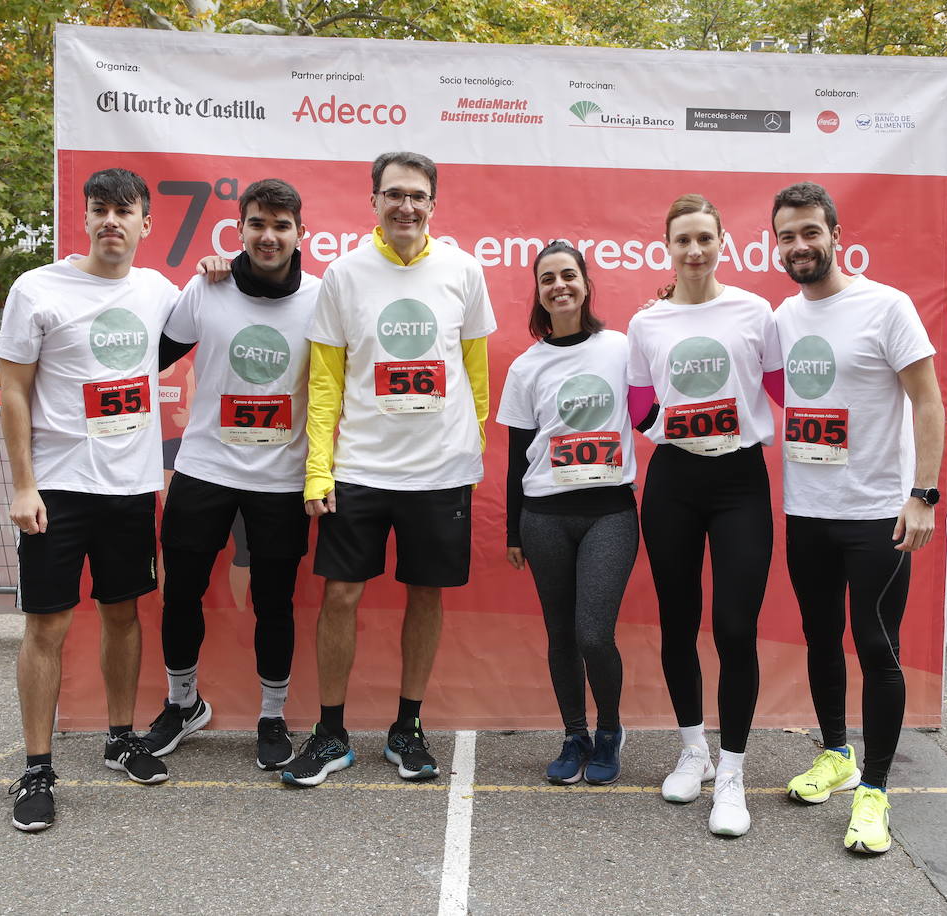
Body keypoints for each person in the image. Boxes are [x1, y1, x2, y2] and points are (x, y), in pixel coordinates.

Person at [281, 151, 496, 787]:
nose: (407, 205)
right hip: (361, 468)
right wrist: (319, 471)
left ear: (434, 204)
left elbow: (477, 375)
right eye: (394, 194)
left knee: (425, 594)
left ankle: (407, 728)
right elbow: (323, 383)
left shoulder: (464, 269)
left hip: (440, 473)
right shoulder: (343, 276)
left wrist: (469, 447)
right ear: (373, 200)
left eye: (418, 195)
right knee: (340, 595)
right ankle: (331, 733)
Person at [0, 168, 180, 832]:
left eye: (123, 211)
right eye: (100, 210)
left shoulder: (158, 290)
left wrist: (220, 268)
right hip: (57, 490)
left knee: (123, 615)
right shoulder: (38, 289)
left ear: (144, 223)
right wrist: (23, 484)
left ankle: (121, 736)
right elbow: (13, 390)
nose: (111, 221)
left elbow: (208, 315)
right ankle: (37, 766)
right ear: (85, 218)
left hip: (131, 489)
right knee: (47, 626)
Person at [771, 181, 944, 855]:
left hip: (877, 514)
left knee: (876, 647)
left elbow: (927, 402)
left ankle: (874, 789)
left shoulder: (886, 306)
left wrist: (923, 494)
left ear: (836, 235)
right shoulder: (783, 318)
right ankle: (837, 754)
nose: (800, 245)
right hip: (807, 511)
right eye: (787, 235)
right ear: (776, 245)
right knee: (819, 640)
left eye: (810, 232)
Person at [138, 178, 320, 772]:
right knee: (182, 591)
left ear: (300, 233)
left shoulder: (321, 298)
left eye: (281, 225)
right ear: (239, 230)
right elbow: (152, 359)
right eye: (257, 225)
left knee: (275, 601)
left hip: (281, 476)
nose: (268, 237)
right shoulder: (206, 288)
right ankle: (182, 703)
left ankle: (272, 715)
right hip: (204, 467)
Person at [626, 195, 782, 837]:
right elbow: (638, 407)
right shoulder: (647, 324)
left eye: (704, 239)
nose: (694, 250)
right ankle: (694, 750)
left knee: (736, 627)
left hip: (740, 478)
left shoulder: (755, 311)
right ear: (667, 247)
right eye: (682, 240)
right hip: (674, 481)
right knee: (678, 621)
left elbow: (780, 391)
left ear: (723, 243)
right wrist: (676, 424)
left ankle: (735, 773)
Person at [497, 242, 638, 786]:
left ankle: (609, 730)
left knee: (593, 634)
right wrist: (513, 529)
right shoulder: (526, 366)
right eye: (548, 278)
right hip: (544, 517)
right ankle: (574, 733)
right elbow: (516, 457)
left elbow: (654, 393)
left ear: (585, 284)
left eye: (569, 276)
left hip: (609, 512)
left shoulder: (622, 348)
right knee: (560, 633)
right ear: (538, 292)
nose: (559, 286)